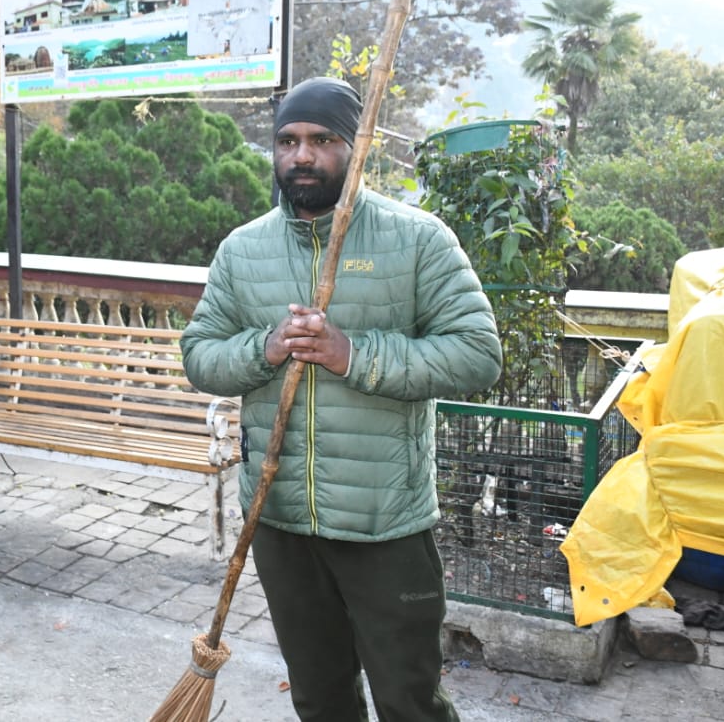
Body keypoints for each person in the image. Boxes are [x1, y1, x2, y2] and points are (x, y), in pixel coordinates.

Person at [180, 76, 503, 722]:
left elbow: (477, 353)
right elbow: (200, 355)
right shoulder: (243, 250)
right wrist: (265, 348)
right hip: (279, 520)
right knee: (319, 694)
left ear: (358, 148)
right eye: (289, 140)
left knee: (408, 698)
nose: (303, 155)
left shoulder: (417, 239)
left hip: (385, 522)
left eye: (323, 140)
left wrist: (353, 354)